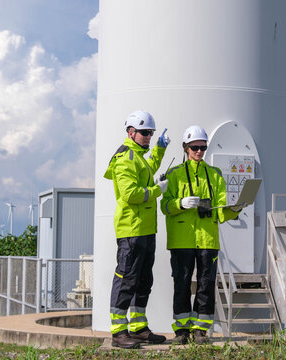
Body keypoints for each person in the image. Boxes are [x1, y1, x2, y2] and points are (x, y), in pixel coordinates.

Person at [160, 125, 244, 345]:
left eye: (202, 148)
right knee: (182, 284)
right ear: (186, 148)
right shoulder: (174, 174)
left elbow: (220, 209)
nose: (199, 152)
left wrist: (235, 209)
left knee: (206, 285)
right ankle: (181, 331)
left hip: (208, 240)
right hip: (181, 240)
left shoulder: (214, 175)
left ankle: (200, 330)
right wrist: (180, 203)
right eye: (195, 147)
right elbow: (165, 207)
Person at [104, 110, 170, 349]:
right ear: (130, 132)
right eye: (144, 132)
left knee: (143, 280)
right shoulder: (124, 158)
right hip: (131, 230)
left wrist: (160, 149)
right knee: (126, 280)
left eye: (151, 133)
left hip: (145, 229)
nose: (148, 136)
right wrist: (157, 191)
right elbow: (131, 194)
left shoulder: (139, 157)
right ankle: (118, 332)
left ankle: (139, 328)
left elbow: (148, 166)